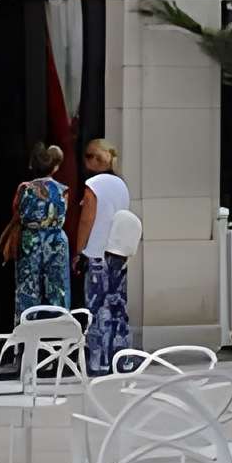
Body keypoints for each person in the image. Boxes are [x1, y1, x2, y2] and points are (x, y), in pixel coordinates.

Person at [71, 136, 140, 370]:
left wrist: (78, 251)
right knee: (117, 305)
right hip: (117, 252)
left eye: (90, 156)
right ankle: (121, 358)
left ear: (100, 159)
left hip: (97, 251)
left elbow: (86, 220)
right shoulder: (121, 184)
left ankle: (97, 361)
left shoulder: (95, 185)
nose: (86, 161)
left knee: (96, 307)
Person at [4, 144, 72, 319]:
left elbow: (17, 212)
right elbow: (64, 213)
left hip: (30, 240)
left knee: (28, 287)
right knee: (58, 289)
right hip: (56, 238)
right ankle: (60, 333)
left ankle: (26, 332)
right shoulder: (63, 189)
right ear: (54, 167)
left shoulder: (25, 188)